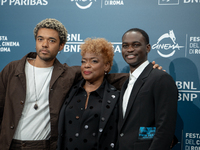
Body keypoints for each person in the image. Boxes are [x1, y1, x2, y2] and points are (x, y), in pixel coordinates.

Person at [0, 18, 82, 150]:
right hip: (9, 144)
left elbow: (97, 74)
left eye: (51, 40)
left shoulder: (67, 74)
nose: (44, 44)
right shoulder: (13, 69)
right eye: (40, 39)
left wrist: (128, 79)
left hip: (42, 145)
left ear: (61, 46)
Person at [118, 28, 178, 150]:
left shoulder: (161, 78)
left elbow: (165, 128)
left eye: (136, 45)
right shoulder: (126, 83)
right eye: (125, 46)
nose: (129, 49)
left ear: (148, 48)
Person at [57, 38, 120, 150]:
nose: (87, 65)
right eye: (83, 61)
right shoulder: (70, 90)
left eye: (94, 61)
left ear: (106, 66)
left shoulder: (116, 97)